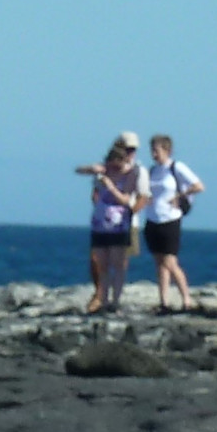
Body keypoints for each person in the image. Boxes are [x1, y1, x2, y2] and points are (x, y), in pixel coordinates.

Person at [74, 132, 148, 312]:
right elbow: (84, 176)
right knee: (101, 261)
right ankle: (101, 297)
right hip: (102, 223)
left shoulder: (136, 171)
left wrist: (130, 213)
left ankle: (114, 299)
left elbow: (141, 197)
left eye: (132, 150)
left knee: (119, 262)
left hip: (122, 223)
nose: (129, 153)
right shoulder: (105, 170)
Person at [144, 135, 202, 312]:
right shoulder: (152, 170)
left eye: (157, 150)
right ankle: (164, 302)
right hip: (153, 218)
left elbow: (198, 186)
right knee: (159, 262)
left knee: (170, 261)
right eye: (152, 150)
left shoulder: (176, 167)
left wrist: (179, 196)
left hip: (170, 219)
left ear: (167, 150)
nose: (154, 154)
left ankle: (186, 299)